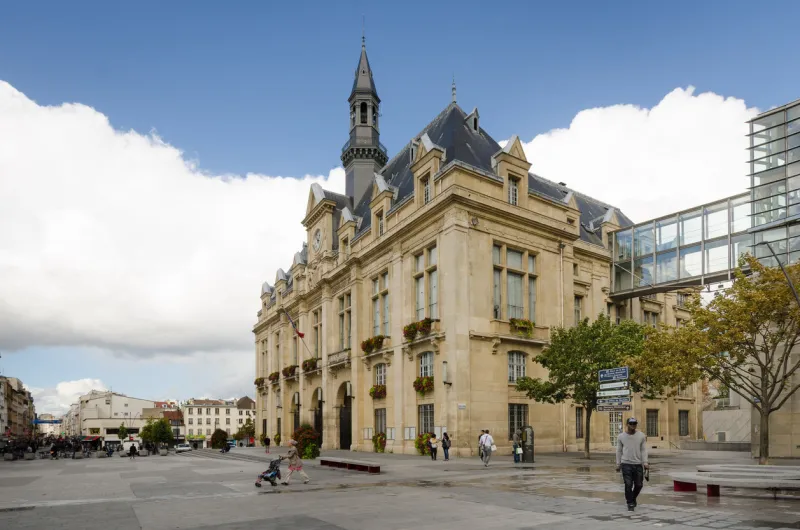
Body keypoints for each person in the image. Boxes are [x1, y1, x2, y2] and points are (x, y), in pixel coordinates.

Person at [615, 417, 649, 512]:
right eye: (631, 423)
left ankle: (633, 498)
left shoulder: (641, 436)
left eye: (635, 423)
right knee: (628, 484)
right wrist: (618, 464)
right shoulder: (621, 436)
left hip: (638, 464)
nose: (633, 425)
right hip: (626, 463)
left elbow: (643, 450)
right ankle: (630, 502)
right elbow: (619, 451)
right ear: (627, 424)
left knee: (639, 484)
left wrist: (645, 462)